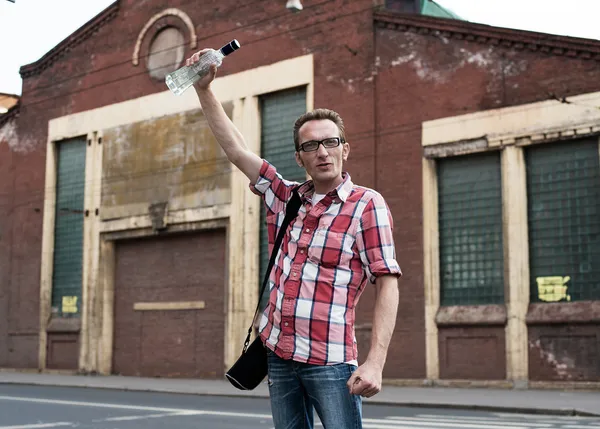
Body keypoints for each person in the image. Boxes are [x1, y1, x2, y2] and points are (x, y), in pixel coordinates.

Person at [187, 49, 402, 429]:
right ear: (299, 158)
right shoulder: (287, 198)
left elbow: (387, 282)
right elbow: (237, 149)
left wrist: (376, 361)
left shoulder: (367, 204)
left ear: (344, 149)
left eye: (330, 142)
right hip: (278, 355)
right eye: (310, 146)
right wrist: (204, 89)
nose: (322, 152)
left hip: (331, 360)